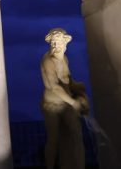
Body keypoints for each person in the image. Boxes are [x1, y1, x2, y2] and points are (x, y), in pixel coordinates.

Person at [40, 28, 88, 169]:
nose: (56, 46)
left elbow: (67, 79)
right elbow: (54, 86)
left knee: (76, 135)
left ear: (65, 43)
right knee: (53, 139)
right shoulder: (48, 61)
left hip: (66, 103)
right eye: (53, 43)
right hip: (52, 105)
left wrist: (79, 90)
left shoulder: (64, 58)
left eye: (59, 43)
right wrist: (74, 102)